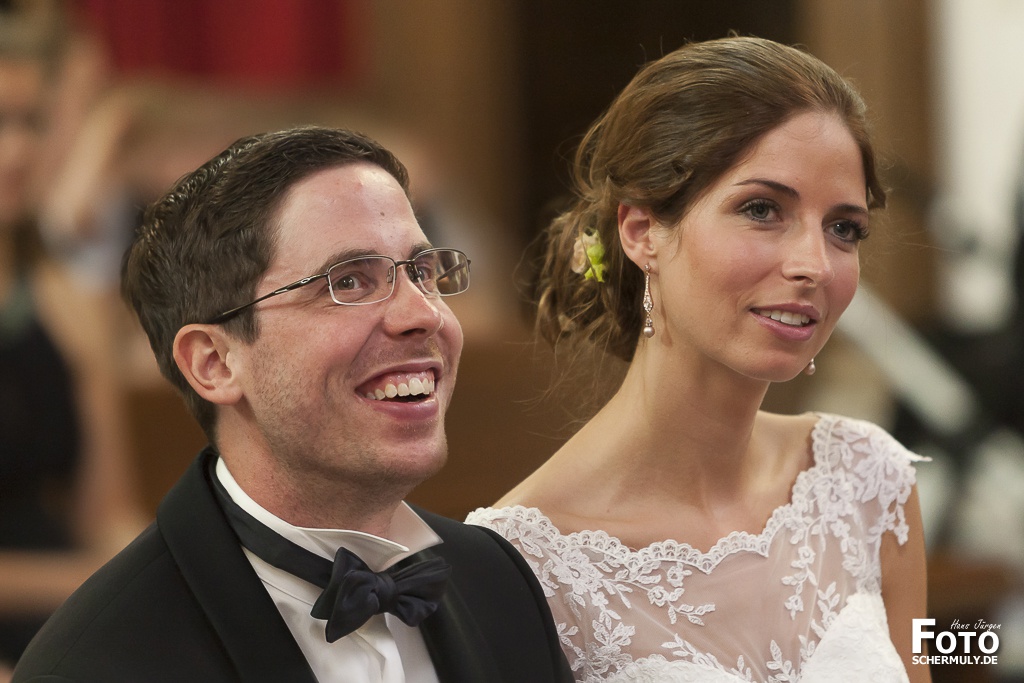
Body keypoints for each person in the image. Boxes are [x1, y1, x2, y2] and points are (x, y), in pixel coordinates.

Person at [13, 126, 572, 683]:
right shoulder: (96, 666)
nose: (424, 315)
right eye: (348, 282)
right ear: (214, 362)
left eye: (422, 272)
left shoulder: (500, 581)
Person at [467, 36, 931, 683]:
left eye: (843, 228)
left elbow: (940, 658)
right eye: (762, 210)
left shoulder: (868, 481)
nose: (815, 266)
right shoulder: (521, 565)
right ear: (641, 232)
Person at [0, 5, 143, 677]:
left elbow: (107, 512)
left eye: (29, 121)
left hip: (65, 615)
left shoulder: (69, 301)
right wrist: (92, 581)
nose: (16, 150)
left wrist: (163, 564)